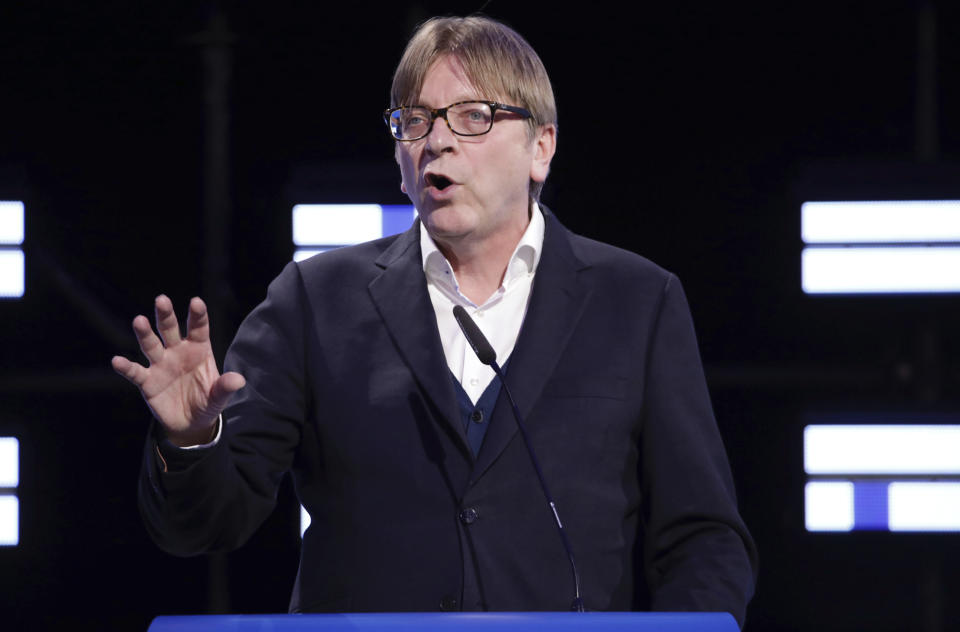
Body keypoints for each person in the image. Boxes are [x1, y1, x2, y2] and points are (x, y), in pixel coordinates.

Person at [113, 15, 757, 626]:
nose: (436, 140)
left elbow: (702, 538)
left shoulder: (637, 301)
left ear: (541, 147)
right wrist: (193, 443)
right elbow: (205, 524)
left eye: (472, 116)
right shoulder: (315, 299)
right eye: (414, 122)